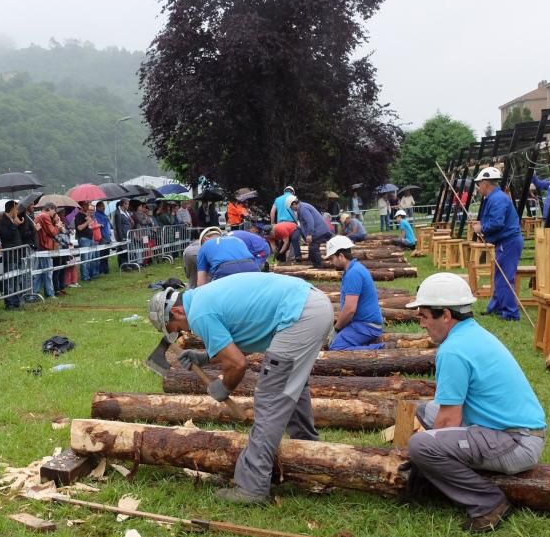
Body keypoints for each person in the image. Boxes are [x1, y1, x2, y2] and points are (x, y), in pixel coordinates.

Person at [148, 273, 333, 505]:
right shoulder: (203, 299)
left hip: (300, 315)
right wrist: (204, 357)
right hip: (313, 306)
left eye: (176, 328)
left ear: (176, 312)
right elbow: (243, 337)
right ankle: (311, 458)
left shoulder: (199, 313)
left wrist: (224, 387)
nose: (184, 332)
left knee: (270, 398)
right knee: (291, 387)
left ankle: (252, 488)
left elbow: (237, 363)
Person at [405, 273, 546, 532]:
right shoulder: (471, 334)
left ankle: (488, 503)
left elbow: (448, 422)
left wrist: (424, 462)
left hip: (516, 442)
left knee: (421, 446)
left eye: (423, 316)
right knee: (426, 410)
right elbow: (445, 413)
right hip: (518, 432)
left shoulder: (453, 351)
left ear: (445, 315)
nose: (421, 323)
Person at [471, 167, 523, 321]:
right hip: (505, 241)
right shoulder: (494, 198)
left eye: (479, 184)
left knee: (505, 277)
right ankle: (496, 307)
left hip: (508, 242)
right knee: (500, 277)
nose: (478, 188)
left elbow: (497, 223)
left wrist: (482, 227)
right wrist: (482, 225)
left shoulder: (497, 198)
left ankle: (510, 313)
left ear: (485, 183)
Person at [325, 236, 384, 350]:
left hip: (366, 325)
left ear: (341, 256)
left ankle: (380, 349)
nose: (331, 262)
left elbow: (350, 309)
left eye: (331, 258)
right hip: (363, 323)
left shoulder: (353, 273)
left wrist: (336, 328)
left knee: (336, 347)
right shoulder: (354, 269)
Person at [290, 196, 333, 268]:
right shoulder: (302, 207)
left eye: (291, 207)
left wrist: (309, 234)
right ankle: (315, 266)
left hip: (319, 231)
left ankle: (319, 267)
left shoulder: (303, 209)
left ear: (294, 204)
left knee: (314, 248)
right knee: (312, 249)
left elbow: (310, 221)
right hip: (317, 231)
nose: (291, 209)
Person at [0, 200, 24, 309]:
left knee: (17, 279)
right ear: (12, 208)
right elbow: (6, 236)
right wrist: (14, 225)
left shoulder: (13, 220)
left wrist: (17, 224)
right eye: (16, 209)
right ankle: (10, 303)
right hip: (9, 255)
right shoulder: (2, 221)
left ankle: (16, 301)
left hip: (17, 254)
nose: (17, 211)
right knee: (10, 280)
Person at [33, 202, 59, 299]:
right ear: (50, 209)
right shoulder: (45, 216)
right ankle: (50, 293)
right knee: (48, 271)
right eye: (54, 211)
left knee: (39, 272)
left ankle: (35, 293)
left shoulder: (39, 215)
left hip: (40, 245)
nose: (54, 214)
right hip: (44, 246)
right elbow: (52, 232)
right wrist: (57, 225)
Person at [94, 200, 113, 275]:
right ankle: (102, 270)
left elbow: (110, 225)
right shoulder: (96, 215)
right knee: (102, 255)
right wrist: (105, 220)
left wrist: (108, 219)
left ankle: (106, 269)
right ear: (98, 207)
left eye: (104, 206)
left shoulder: (104, 214)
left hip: (107, 236)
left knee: (106, 254)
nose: (103, 208)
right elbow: (100, 224)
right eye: (102, 206)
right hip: (102, 237)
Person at [114, 198, 135, 269]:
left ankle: (128, 264)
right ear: (123, 204)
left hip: (128, 234)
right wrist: (121, 237)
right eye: (127, 204)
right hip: (123, 235)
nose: (128, 205)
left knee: (128, 250)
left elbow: (128, 222)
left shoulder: (126, 212)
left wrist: (131, 222)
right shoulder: (118, 213)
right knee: (123, 251)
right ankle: (124, 266)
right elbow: (118, 226)